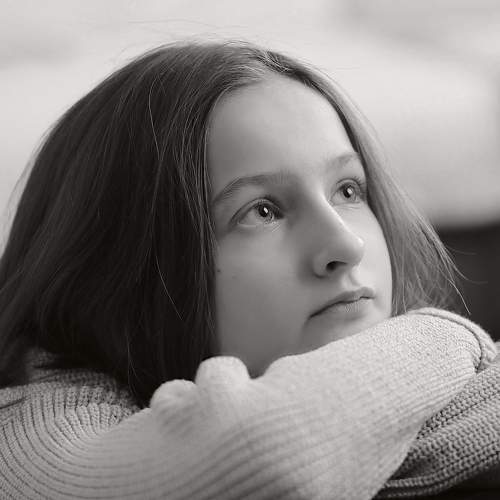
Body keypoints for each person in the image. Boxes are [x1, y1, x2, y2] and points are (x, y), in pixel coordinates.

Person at [0, 40, 497, 500]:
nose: (347, 245)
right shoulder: (36, 435)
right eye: (262, 211)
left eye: (348, 190)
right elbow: (267, 456)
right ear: (126, 275)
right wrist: (443, 336)